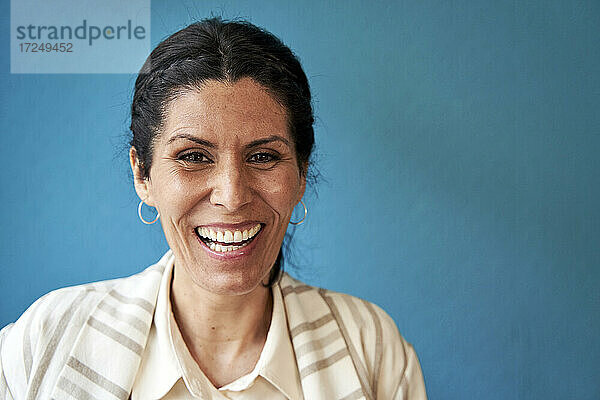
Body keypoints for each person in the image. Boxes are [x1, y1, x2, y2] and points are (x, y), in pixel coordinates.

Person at [0, 18, 427, 399]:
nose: (232, 195)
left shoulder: (371, 348)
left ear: (300, 174)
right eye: (193, 156)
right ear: (142, 175)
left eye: (263, 157)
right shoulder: (46, 339)